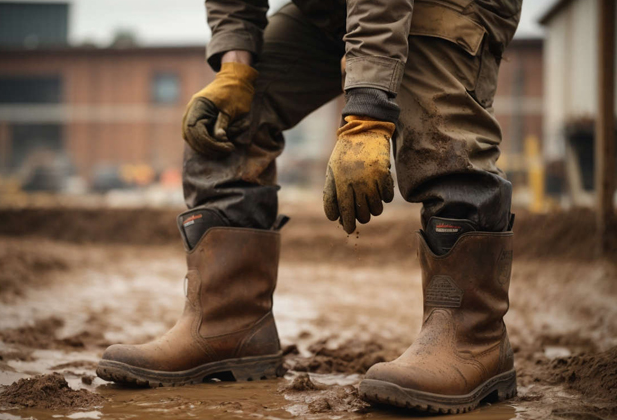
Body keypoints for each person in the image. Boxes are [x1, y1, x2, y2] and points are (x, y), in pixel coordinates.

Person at [97, 0, 522, 413]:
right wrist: (235, 67)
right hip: (328, 8)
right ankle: (227, 326)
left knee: (438, 130)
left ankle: (472, 341)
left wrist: (367, 114)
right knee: (228, 119)